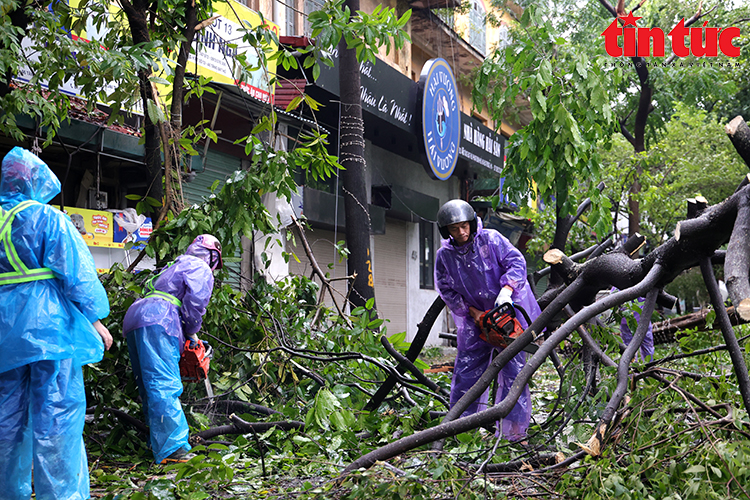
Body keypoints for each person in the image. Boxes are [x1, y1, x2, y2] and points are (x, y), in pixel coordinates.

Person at [0, 147, 113, 500]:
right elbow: (77, 274)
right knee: (57, 416)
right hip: (49, 329)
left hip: (5, 330)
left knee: (6, 418)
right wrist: (96, 321)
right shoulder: (48, 219)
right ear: (35, 180)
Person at [435, 199, 541, 442]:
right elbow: (446, 289)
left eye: (464, 226)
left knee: (514, 373)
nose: (461, 233)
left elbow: (516, 262)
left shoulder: (491, 240)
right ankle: (461, 430)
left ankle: (515, 433)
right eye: (454, 229)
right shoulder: (445, 256)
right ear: (446, 231)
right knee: (466, 371)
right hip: (476, 320)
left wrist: (506, 291)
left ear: (471, 223)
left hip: (506, 314)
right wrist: (472, 313)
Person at [123, 234, 222, 464]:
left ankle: (157, 442)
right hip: (160, 318)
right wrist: (192, 331)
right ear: (213, 256)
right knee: (163, 382)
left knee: (148, 386)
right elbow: (195, 303)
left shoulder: (174, 264)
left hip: (136, 317)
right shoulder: (200, 267)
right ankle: (173, 449)